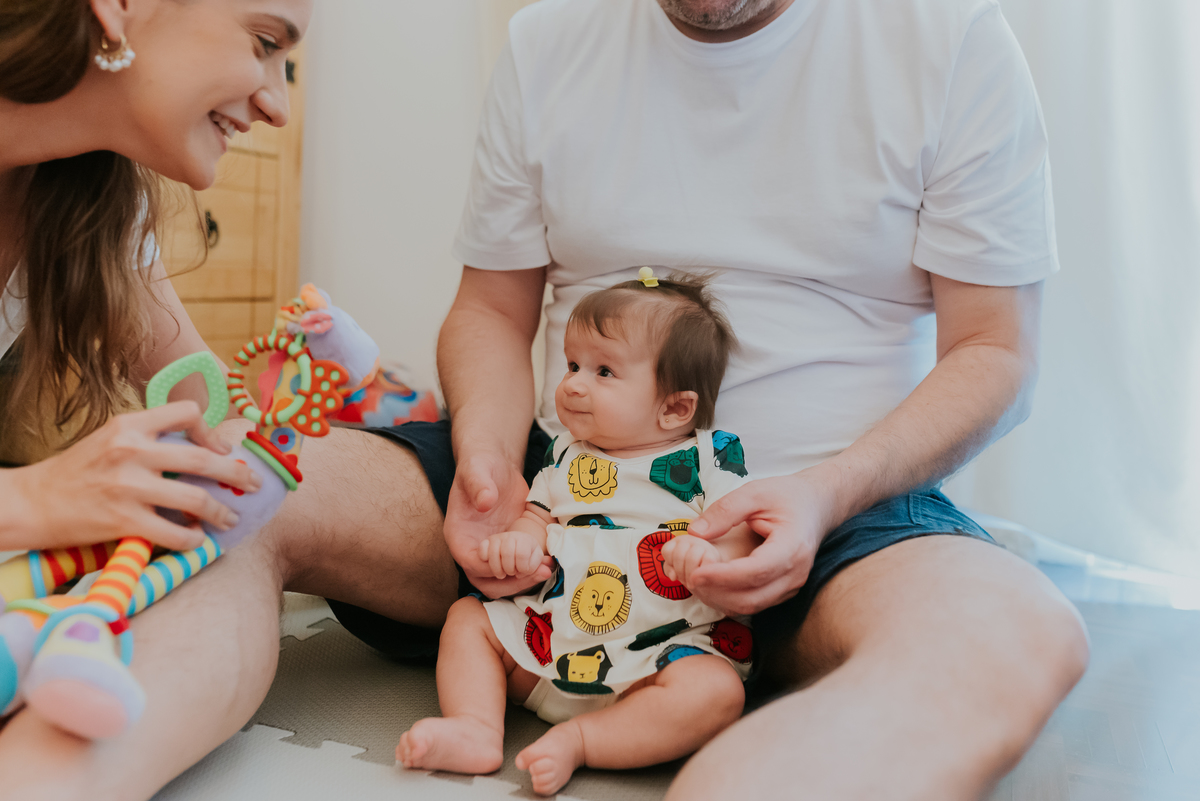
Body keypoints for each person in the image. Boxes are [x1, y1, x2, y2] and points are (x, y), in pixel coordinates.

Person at [0, 0, 1090, 799]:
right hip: (548, 498)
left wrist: (826, 491)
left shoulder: (950, 42)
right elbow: (489, 313)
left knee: (1014, 629)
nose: (278, 104)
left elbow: (994, 351)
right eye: (270, 47)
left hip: (839, 502)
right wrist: (486, 464)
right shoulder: (548, 40)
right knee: (243, 491)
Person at [398, 271, 759, 795]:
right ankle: (475, 726)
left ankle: (586, 740)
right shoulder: (567, 453)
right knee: (468, 619)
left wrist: (711, 556)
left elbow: (742, 532)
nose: (571, 384)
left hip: (658, 657)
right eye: (571, 365)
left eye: (604, 371)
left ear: (675, 407)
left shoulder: (711, 456)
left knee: (716, 692)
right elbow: (537, 517)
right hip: (546, 644)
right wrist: (518, 543)